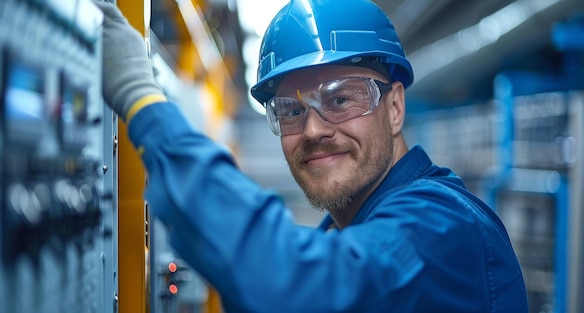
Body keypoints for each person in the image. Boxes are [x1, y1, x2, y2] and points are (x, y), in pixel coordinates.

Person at [96, 0, 528, 312]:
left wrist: (142, 102)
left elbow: (294, 285)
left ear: (395, 108)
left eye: (341, 100)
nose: (314, 130)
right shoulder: (344, 229)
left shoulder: (445, 225)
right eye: (292, 110)